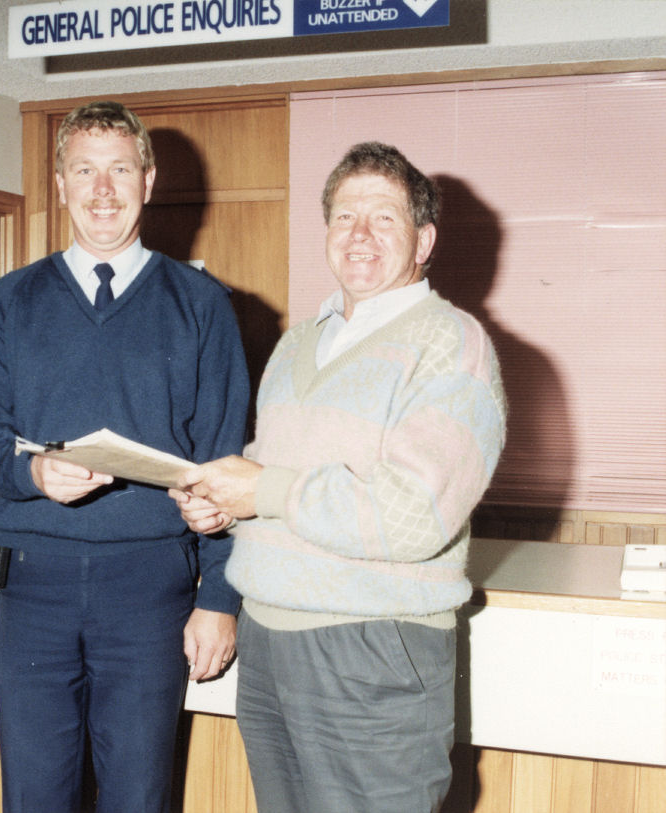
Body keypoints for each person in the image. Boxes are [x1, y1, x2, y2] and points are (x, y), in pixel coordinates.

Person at [170, 142, 507, 813]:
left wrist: (260, 490)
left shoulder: (450, 343)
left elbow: (414, 513)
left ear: (423, 239)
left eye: (383, 218)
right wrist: (225, 504)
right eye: (344, 216)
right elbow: (274, 475)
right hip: (267, 640)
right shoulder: (298, 341)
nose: (359, 234)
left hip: (370, 646)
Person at [0, 100, 250, 812]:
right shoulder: (9, 301)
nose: (102, 190)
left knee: (137, 796)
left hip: (149, 587)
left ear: (147, 181)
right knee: (33, 796)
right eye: (83, 171)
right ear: (58, 184)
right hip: (35, 584)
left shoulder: (202, 304)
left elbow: (228, 464)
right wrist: (30, 472)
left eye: (119, 169)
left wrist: (218, 597)